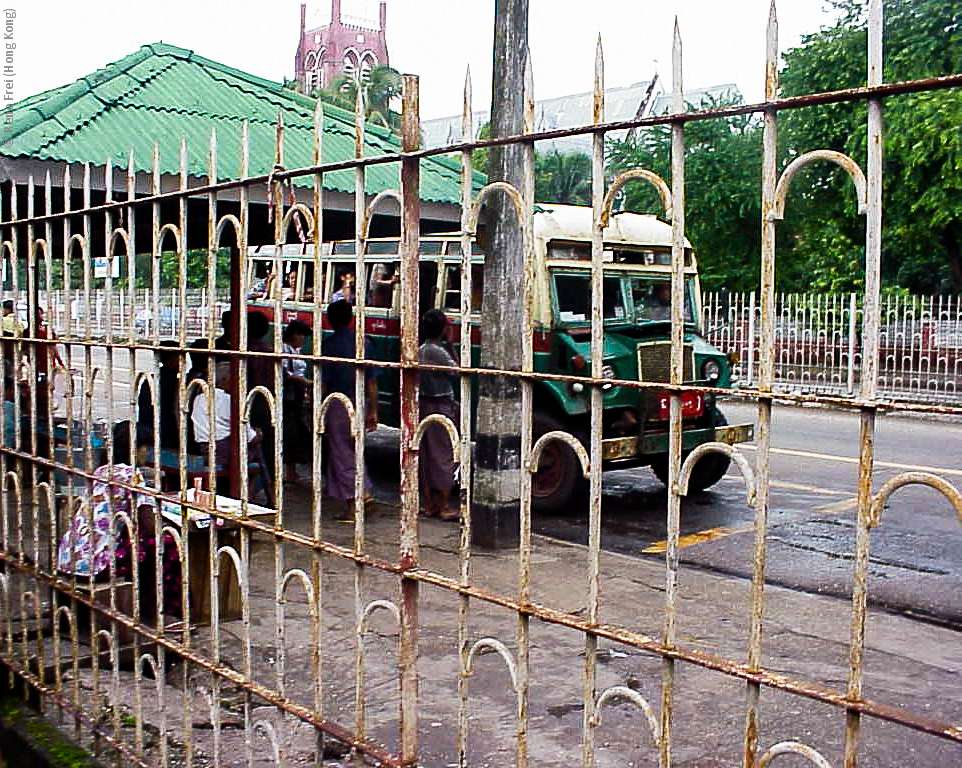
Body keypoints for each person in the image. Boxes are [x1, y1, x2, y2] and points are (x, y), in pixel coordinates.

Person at [56, 421, 183, 620]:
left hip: (69, 559)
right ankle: (163, 612)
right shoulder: (132, 476)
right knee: (166, 544)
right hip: (96, 565)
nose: (146, 454)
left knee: (137, 542)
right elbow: (150, 526)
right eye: (146, 448)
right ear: (137, 448)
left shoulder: (102, 470)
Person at [321, 300, 378, 521]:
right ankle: (363, 493)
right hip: (359, 401)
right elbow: (372, 382)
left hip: (337, 402)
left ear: (329, 320)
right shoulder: (363, 342)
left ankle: (356, 502)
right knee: (355, 450)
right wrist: (373, 409)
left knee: (340, 453)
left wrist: (316, 406)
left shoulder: (329, 345)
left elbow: (323, 382)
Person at [190, 360, 264, 479]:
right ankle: (249, 493)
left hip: (205, 449)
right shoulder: (228, 400)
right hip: (225, 453)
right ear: (224, 380)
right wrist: (258, 434)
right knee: (257, 454)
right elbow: (249, 436)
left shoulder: (199, 398)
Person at [418, 309, 459, 520]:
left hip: (423, 403)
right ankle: (443, 504)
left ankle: (429, 503)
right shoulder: (438, 352)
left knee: (424, 455)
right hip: (440, 403)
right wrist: (451, 345)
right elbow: (459, 372)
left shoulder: (420, 349)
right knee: (444, 454)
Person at [281, 319, 312, 486]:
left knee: (296, 433)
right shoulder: (283, 350)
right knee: (290, 433)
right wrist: (304, 382)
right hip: (288, 397)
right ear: (295, 334)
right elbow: (285, 374)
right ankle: (289, 472)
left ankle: (291, 471)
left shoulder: (295, 350)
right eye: (302, 336)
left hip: (296, 396)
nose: (303, 340)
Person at [137, 340, 181, 451]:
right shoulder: (174, 382)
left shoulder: (150, 379)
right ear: (173, 358)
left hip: (150, 434)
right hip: (169, 437)